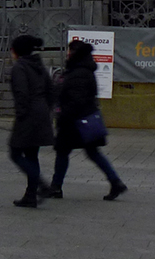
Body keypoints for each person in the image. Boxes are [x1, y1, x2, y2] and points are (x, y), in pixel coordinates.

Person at [43, 40, 127, 201]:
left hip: (76, 121)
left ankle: (56, 187)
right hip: (83, 119)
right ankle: (115, 182)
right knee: (91, 152)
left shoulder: (79, 72)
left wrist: (64, 115)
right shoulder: (82, 69)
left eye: (70, 50)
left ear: (75, 53)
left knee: (63, 152)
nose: (67, 53)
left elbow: (77, 99)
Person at [7, 34, 54, 208]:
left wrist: (21, 114)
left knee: (15, 153)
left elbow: (21, 93)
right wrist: (46, 109)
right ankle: (31, 195)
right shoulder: (38, 65)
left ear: (16, 51)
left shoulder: (20, 67)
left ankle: (42, 185)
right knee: (32, 154)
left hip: (28, 115)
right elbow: (51, 90)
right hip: (41, 112)